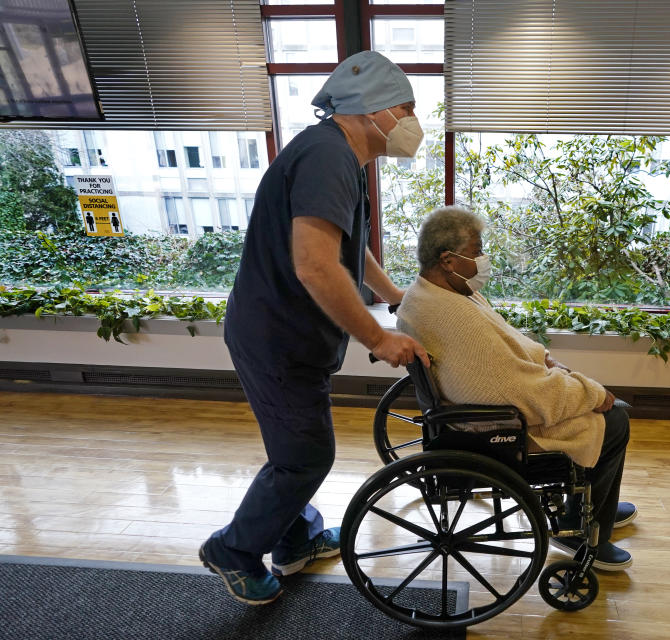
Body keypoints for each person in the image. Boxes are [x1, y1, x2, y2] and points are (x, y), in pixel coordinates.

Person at [199, 50, 430, 605]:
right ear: (368, 109)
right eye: (404, 108)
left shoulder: (341, 156)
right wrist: (378, 338)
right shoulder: (327, 157)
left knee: (297, 444)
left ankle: (296, 539)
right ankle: (232, 550)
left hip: (290, 335)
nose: (410, 123)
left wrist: (396, 296)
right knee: (303, 455)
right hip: (275, 337)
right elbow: (315, 265)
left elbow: (349, 248)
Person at [396, 206, 637, 571]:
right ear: (447, 259)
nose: (483, 260)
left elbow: (506, 345)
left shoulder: (433, 294)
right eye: (477, 252)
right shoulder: (452, 313)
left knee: (609, 412)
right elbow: (515, 390)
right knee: (615, 421)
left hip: (472, 406)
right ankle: (584, 527)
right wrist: (589, 393)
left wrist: (546, 360)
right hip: (494, 425)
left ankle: (596, 504)